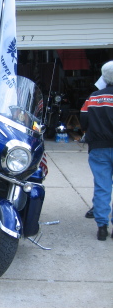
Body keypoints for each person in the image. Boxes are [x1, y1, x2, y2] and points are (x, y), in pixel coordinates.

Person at [80, 60, 113, 241]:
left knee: (102, 187)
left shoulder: (94, 97)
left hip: (98, 148)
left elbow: (83, 120)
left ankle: (102, 227)